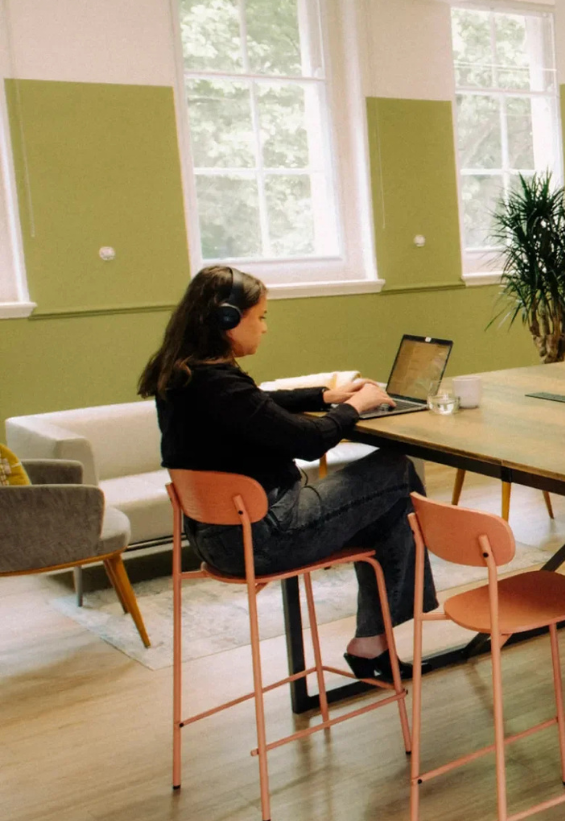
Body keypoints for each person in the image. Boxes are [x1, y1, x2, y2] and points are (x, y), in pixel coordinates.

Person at [140, 265, 433, 681]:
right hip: (268, 537)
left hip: (216, 539)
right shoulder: (219, 387)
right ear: (227, 319)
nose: (264, 328)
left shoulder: (185, 376)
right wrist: (357, 405)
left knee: (388, 510)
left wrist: (325, 395)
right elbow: (309, 442)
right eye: (259, 317)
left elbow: (258, 402)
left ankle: (374, 643)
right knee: (396, 470)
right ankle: (379, 635)